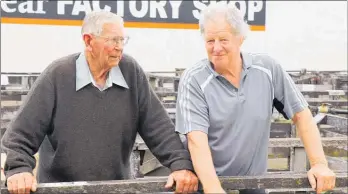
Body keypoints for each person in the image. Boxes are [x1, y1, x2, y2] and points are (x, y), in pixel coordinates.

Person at [1, 11, 198, 194]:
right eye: (113, 40)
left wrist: (180, 164)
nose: (119, 47)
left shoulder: (131, 73)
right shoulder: (58, 75)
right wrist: (18, 169)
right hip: (61, 190)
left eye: (122, 40)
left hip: (115, 189)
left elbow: (158, 128)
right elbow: (20, 134)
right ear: (88, 41)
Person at [175, 2, 336, 194]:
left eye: (223, 40)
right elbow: (196, 140)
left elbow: (302, 115)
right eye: (210, 41)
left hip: (254, 186)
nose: (216, 48)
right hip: (205, 186)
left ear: (240, 38)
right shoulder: (195, 79)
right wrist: (213, 188)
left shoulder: (267, 69)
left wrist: (319, 163)